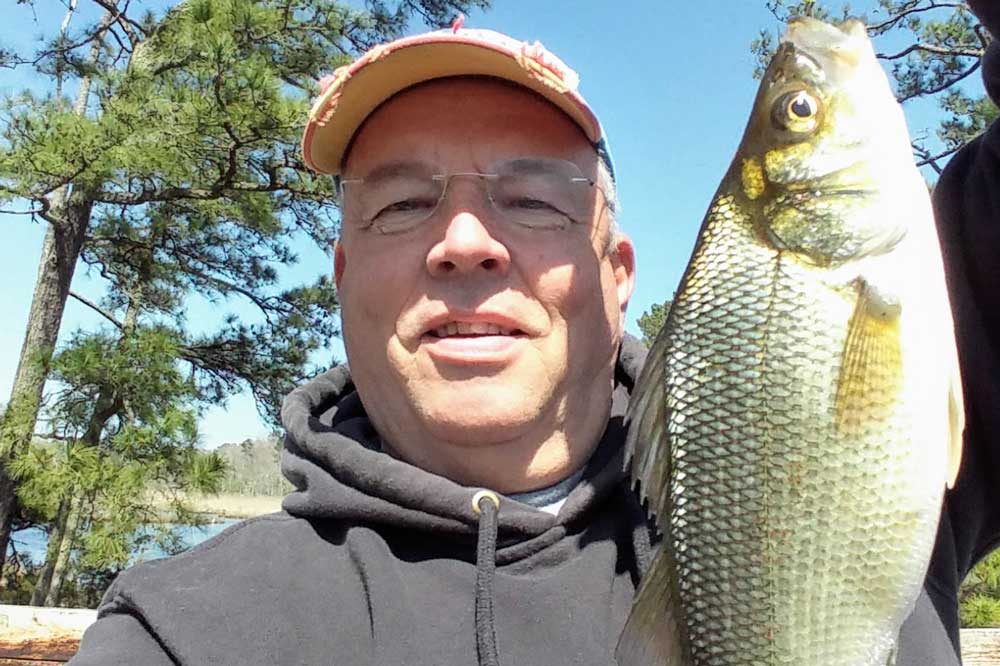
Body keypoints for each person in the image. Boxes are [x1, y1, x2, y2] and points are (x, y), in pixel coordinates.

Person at [69, 9, 997, 666]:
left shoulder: (895, 376)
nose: (465, 244)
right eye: (401, 203)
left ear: (617, 274)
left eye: (530, 198)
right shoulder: (181, 636)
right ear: (345, 279)